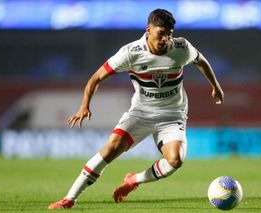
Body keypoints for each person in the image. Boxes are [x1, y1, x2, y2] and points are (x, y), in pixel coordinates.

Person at [48, 8, 224, 209]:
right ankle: (70, 199)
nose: (165, 39)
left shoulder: (181, 47)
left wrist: (215, 86)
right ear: (148, 30)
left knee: (175, 161)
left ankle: (134, 180)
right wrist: (84, 106)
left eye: (169, 34)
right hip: (140, 113)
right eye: (161, 33)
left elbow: (201, 61)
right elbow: (96, 78)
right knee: (110, 149)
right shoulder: (130, 53)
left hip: (172, 115)